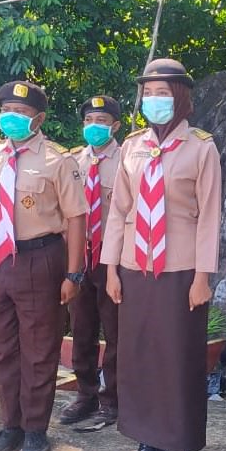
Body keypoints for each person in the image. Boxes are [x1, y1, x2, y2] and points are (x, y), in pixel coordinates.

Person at [103, 58, 222, 451]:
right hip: (136, 265)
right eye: (148, 92)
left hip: (180, 269)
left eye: (163, 92)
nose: (154, 100)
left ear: (181, 97)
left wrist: (203, 276)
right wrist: (111, 269)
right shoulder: (132, 147)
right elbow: (119, 211)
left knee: (176, 356)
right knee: (139, 356)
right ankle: (145, 437)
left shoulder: (201, 148)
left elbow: (209, 216)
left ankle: (175, 443)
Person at [0, 81, 86, 451]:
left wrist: (74, 274)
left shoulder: (58, 160)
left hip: (40, 257)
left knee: (39, 347)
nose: (12, 117)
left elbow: (75, 218)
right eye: (6, 110)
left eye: (21, 113)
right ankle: (11, 425)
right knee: (1, 347)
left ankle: (36, 428)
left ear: (38, 118)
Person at [61, 95, 124, 432]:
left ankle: (113, 398)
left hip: (113, 257)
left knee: (115, 331)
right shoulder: (72, 162)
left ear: (115, 125)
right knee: (82, 327)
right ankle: (86, 394)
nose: (93, 126)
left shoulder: (128, 159)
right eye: (88, 120)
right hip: (80, 256)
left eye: (101, 120)